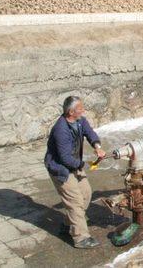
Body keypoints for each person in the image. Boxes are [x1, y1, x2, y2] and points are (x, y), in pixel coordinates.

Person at [44, 96, 105, 249]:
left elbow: (89, 132)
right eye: (80, 109)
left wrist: (97, 146)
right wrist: (84, 164)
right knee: (76, 202)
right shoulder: (61, 130)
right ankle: (81, 238)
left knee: (86, 193)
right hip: (60, 169)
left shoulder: (80, 121)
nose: (83, 111)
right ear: (71, 112)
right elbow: (65, 158)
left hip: (73, 165)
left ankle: (69, 225)